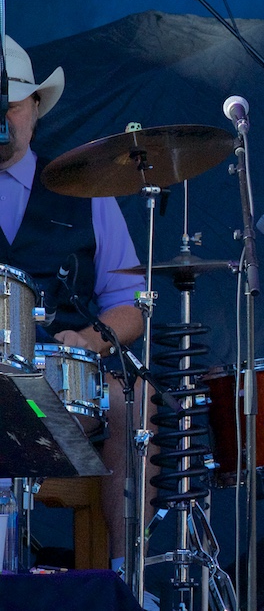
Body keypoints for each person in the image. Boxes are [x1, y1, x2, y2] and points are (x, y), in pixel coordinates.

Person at [0, 36, 145, 571]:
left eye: (11, 101)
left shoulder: (84, 189)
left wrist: (86, 340)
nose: (3, 114)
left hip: (59, 387)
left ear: (35, 107)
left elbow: (130, 304)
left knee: (135, 399)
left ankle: (124, 577)